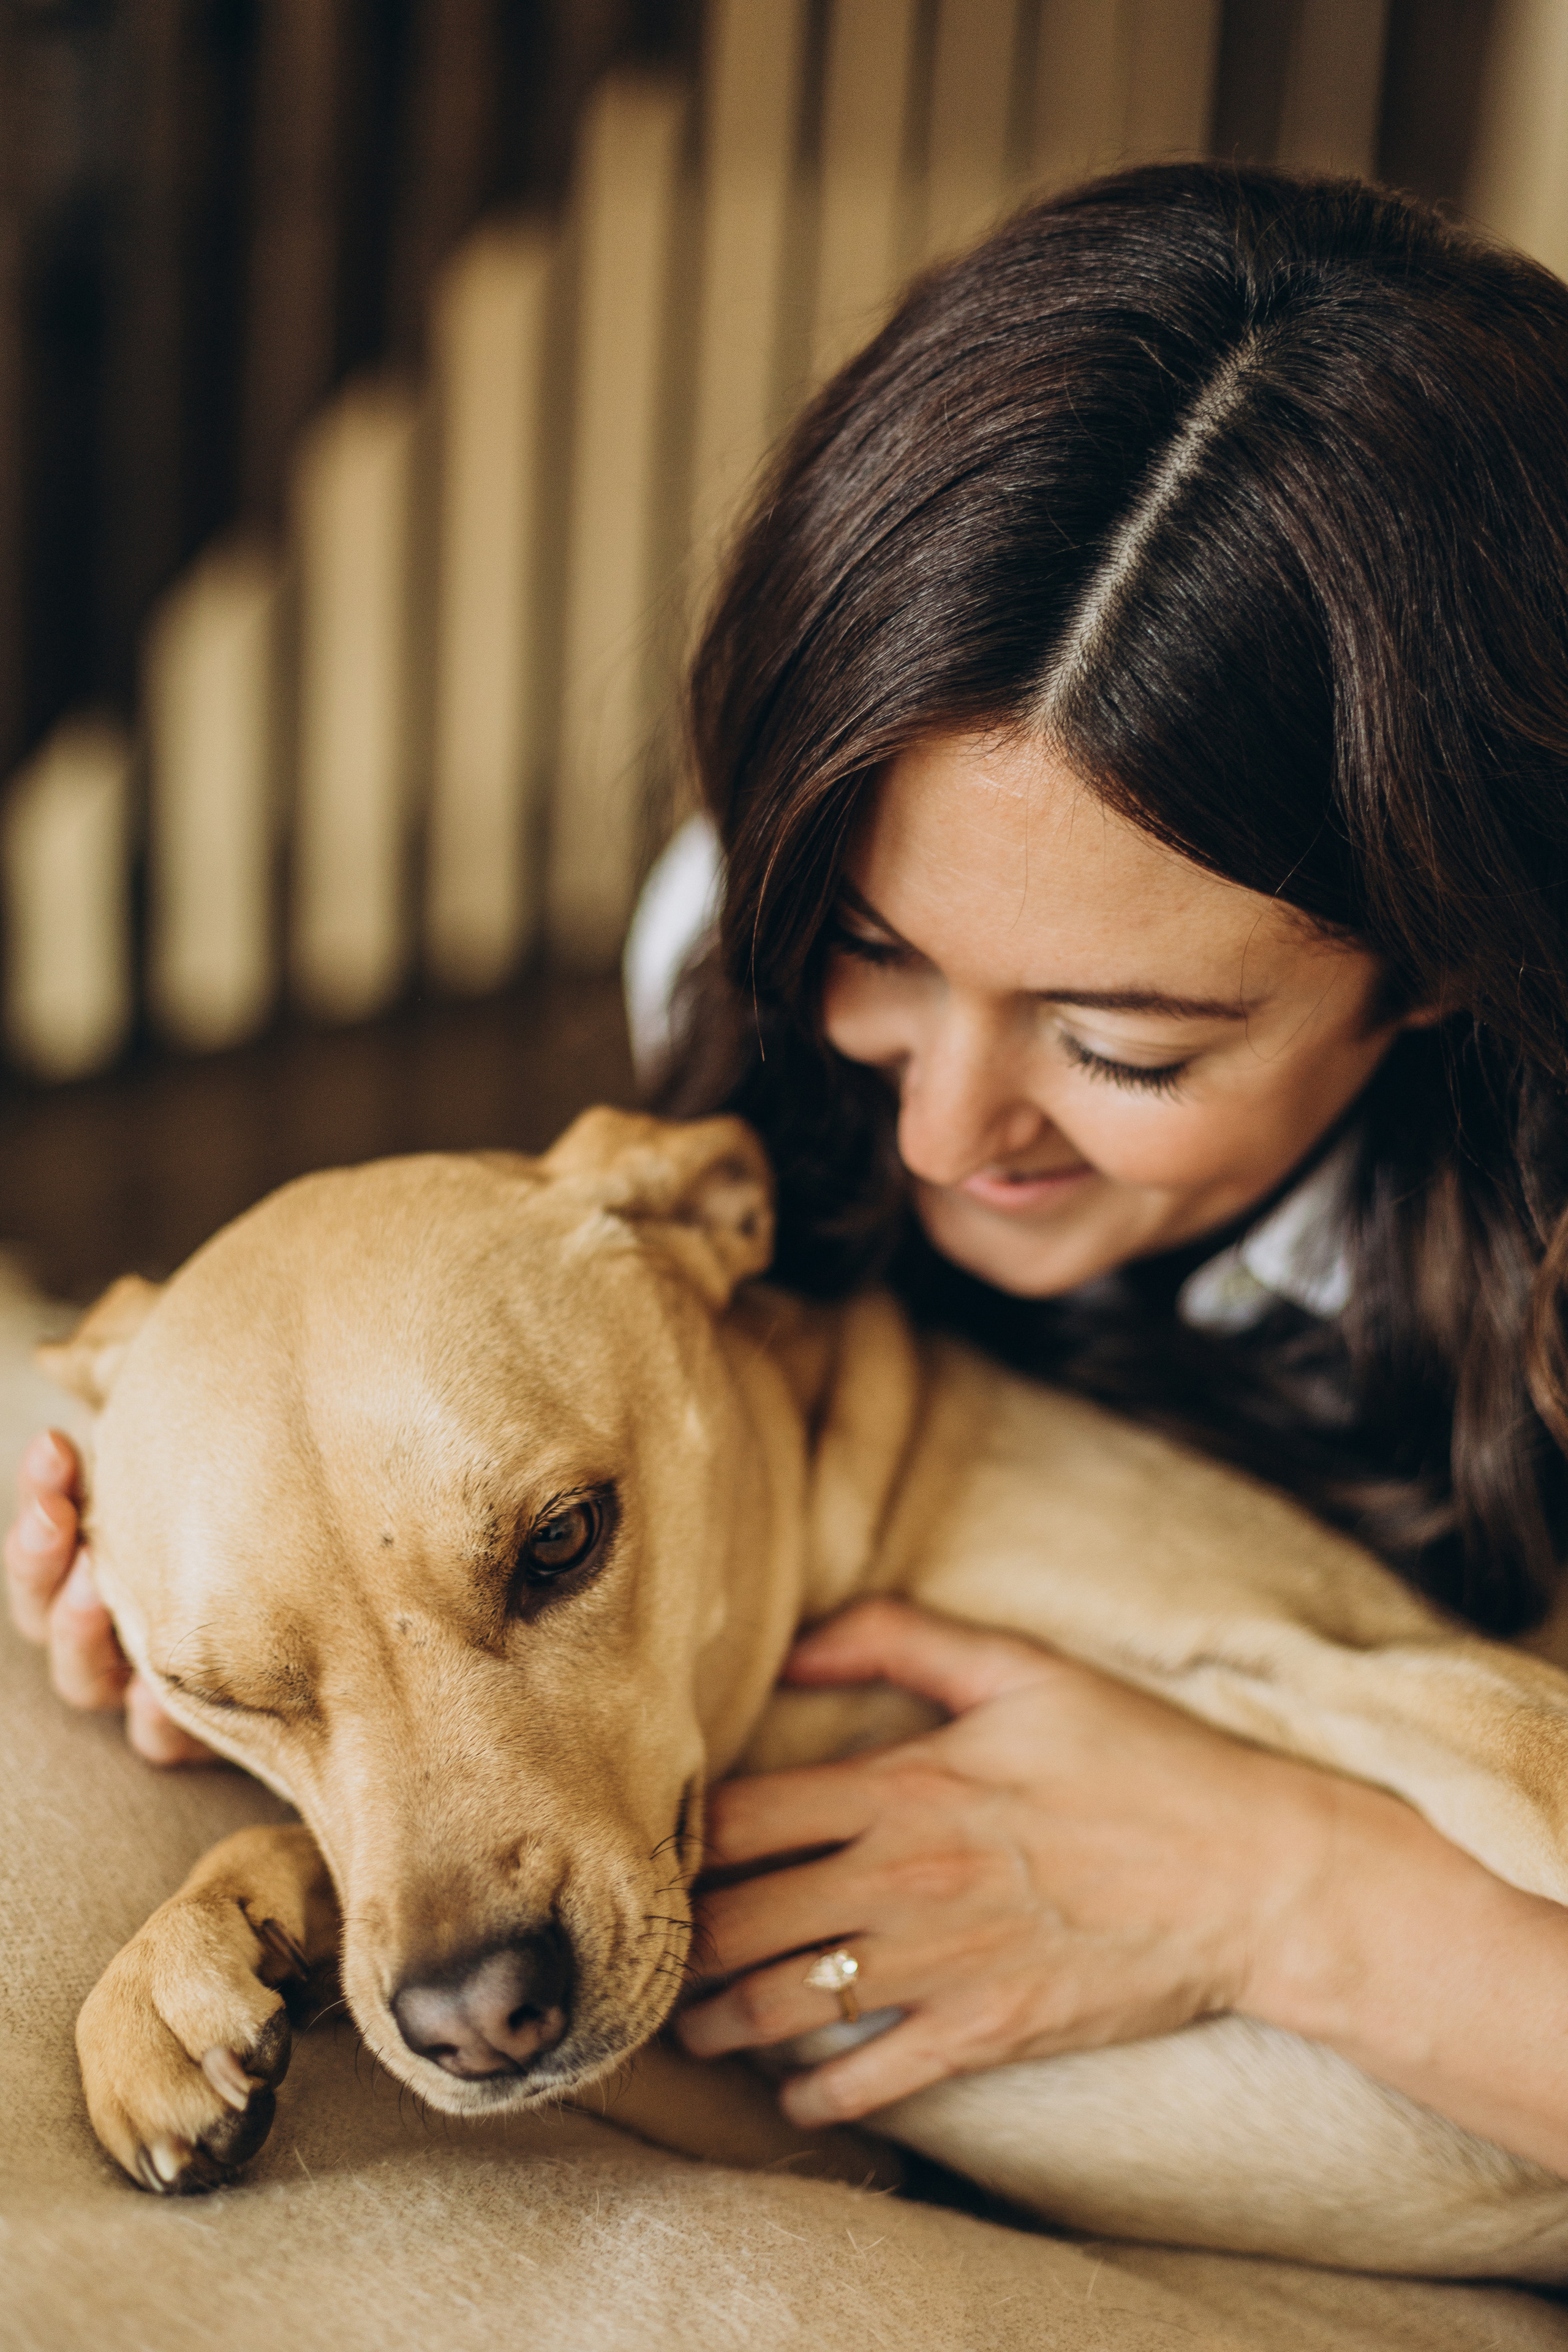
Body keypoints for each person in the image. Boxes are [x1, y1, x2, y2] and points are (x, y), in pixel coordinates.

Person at [16, 162, 1568, 2179]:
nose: (931, 1137)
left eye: (1121, 1044)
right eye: (877, 955)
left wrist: (1280, 1890)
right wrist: (231, 1611)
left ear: (1453, 960)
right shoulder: (737, 959)